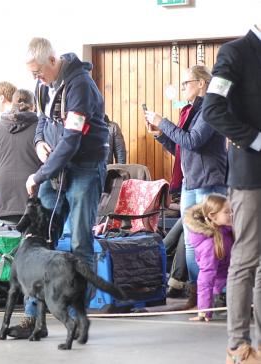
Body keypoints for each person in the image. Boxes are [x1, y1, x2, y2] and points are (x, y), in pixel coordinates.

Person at [10, 37, 108, 339]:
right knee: (39, 240)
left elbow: (71, 140)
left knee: (79, 242)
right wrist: (39, 142)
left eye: (38, 71)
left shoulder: (80, 85)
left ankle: (79, 319)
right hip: (55, 168)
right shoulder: (43, 85)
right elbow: (42, 121)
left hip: (84, 168)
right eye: (32, 73)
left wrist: (39, 175)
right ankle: (32, 320)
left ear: (53, 60)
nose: (35, 79)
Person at [145, 65, 227, 310]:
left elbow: (194, 140)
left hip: (209, 182)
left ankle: (216, 292)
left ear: (202, 83)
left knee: (212, 241)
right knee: (192, 242)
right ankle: (198, 293)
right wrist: (161, 134)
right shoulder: (190, 111)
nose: (182, 88)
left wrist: (164, 122)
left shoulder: (211, 109)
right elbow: (182, 150)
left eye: (186, 83)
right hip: (191, 182)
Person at [202, 25, 261, 363]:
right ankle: (238, 348)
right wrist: (256, 140)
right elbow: (212, 109)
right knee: (247, 260)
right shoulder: (235, 52)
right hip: (250, 174)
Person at [0, 89, 41, 223]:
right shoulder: (40, 128)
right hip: (32, 190)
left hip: (3, 192)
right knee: (32, 239)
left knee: (4, 239)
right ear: (33, 106)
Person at [183, 194, 233, 322]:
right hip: (224, 284)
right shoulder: (210, 245)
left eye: (231, 211)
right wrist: (204, 311)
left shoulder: (226, 230)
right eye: (227, 212)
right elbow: (206, 277)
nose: (231, 214)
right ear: (212, 216)